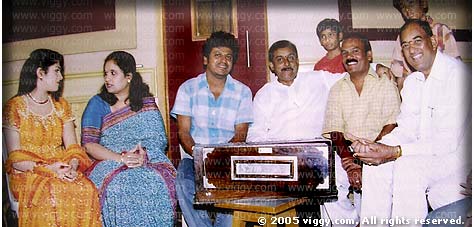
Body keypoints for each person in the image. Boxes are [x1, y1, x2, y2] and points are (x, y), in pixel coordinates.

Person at [351, 20, 470, 227]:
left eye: (417, 41)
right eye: (405, 45)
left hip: (459, 159)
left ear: (433, 42)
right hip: (428, 154)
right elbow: (405, 130)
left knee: (408, 167)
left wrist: (394, 151)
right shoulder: (413, 83)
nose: (411, 49)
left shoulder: (457, 76)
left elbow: (445, 145)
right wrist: (377, 146)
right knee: (374, 166)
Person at [3, 49, 102, 227]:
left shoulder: (61, 106)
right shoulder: (14, 107)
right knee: (52, 193)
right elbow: (16, 159)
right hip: (29, 173)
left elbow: (73, 147)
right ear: (40, 73)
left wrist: (71, 167)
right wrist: (49, 169)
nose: (61, 77)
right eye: (57, 70)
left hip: (61, 167)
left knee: (86, 188)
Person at [81, 51, 176, 227]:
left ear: (129, 76)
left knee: (155, 182)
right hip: (109, 160)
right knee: (122, 185)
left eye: (113, 73)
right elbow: (89, 145)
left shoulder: (146, 103)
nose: (107, 79)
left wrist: (143, 155)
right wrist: (122, 158)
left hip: (146, 160)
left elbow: (158, 139)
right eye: (105, 74)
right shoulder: (98, 103)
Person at [170, 31, 253, 227]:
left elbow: (241, 134)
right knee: (183, 181)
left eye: (228, 56)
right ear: (206, 59)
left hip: (229, 159)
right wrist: (201, 157)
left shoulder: (243, 92)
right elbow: (183, 132)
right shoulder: (187, 89)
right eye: (218, 55)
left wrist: (219, 159)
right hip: (195, 157)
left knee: (234, 187)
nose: (224, 60)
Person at [322, 33, 401, 226]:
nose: (349, 56)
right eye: (345, 52)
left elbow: (393, 124)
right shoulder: (337, 88)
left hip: (380, 151)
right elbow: (334, 131)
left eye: (355, 51)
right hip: (346, 153)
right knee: (323, 178)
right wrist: (350, 161)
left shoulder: (385, 82)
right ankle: (350, 222)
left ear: (369, 55)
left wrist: (368, 155)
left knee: (377, 186)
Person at [390, 0, 460, 91]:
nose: (407, 11)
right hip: (414, 91)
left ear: (423, 4)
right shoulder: (402, 37)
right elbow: (398, 75)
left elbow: (455, 67)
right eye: (403, 7)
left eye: (411, 3)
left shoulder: (440, 30)